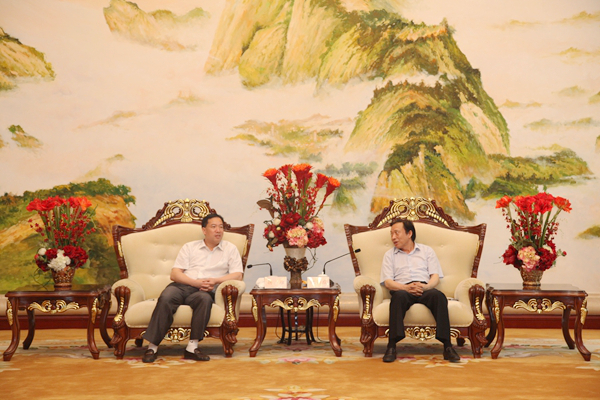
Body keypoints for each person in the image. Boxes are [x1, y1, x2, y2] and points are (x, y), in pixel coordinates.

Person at [141, 213, 244, 363]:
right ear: (204, 230)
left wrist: (215, 281)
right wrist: (195, 283)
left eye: (221, 227)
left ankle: (192, 348)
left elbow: (238, 275)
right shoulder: (190, 247)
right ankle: (152, 347)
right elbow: (175, 274)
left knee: (204, 300)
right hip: (183, 286)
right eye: (213, 226)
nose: (218, 230)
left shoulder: (230, 249)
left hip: (205, 290)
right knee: (166, 297)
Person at [380, 219, 460, 363]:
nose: (393, 237)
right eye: (391, 234)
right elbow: (388, 282)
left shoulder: (426, 251)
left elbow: (435, 276)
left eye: (396, 233)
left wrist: (426, 287)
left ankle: (447, 346)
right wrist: (406, 288)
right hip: (402, 289)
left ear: (409, 233)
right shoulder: (389, 255)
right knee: (398, 298)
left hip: (424, 288)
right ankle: (391, 346)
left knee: (439, 296)